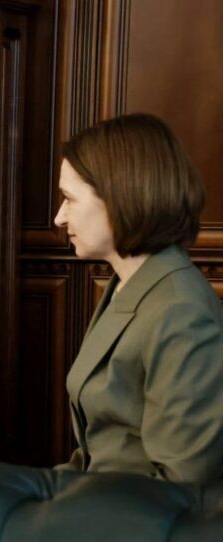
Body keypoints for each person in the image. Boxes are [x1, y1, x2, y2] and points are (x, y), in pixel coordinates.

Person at [55, 114, 223, 483]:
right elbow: (99, 451)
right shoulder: (127, 284)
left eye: (69, 199)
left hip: (136, 515)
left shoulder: (181, 313)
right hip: (102, 498)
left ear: (120, 197)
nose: (58, 218)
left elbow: (182, 485)